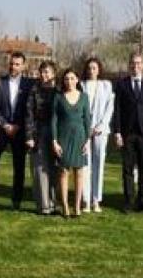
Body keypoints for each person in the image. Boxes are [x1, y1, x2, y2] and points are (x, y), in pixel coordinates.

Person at [111, 52, 143, 213]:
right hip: (127, 134)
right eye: (133, 63)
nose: (135, 66)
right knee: (127, 170)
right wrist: (117, 132)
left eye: (139, 63)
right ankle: (128, 201)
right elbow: (117, 109)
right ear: (129, 65)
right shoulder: (122, 84)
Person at [0, 51, 32, 210]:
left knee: (19, 167)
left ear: (23, 66)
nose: (13, 67)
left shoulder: (29, 85)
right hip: (1, 130)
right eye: (11, 63)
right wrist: (4, 124)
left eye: (17, 64)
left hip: (20, 131)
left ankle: (16, 200)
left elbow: (30, 109)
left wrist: (18, 125)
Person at [51, 68, 92, 218]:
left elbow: (87, 120)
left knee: (79, 172)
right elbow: (54, 120)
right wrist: (54, 141)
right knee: (63, 172)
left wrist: (88, 140)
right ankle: (65, 207)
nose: (69, 81)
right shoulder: (58, 97)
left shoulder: (84, 97)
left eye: (72, 78)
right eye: (66, 78)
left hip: (80, 138)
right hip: (63, 137)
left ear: (77, 80)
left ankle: (77, 206)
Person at [81, 57, 115, 213]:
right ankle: (86, 200)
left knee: (99, 164)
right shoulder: (81, 85)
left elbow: (110, 106)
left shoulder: (106, 85)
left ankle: (96, 200)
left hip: (101, 130)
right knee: (85, 165)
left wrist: (102, 125)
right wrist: (86, 127)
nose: (91, 70)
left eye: (94, 68)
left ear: (99, 69)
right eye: (89, 68)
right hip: (84, 130)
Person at [25, 60, 59, 215]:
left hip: (56, 133)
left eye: (47, 72)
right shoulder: (34, 90)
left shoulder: (59, 90)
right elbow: (29, 114)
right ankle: (43, 205)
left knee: (54, 169)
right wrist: (29, 136)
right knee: (39, 169)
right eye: (42, 72)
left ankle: (54, 203)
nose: (44, 75)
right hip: (38, 133)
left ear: (54, 73)